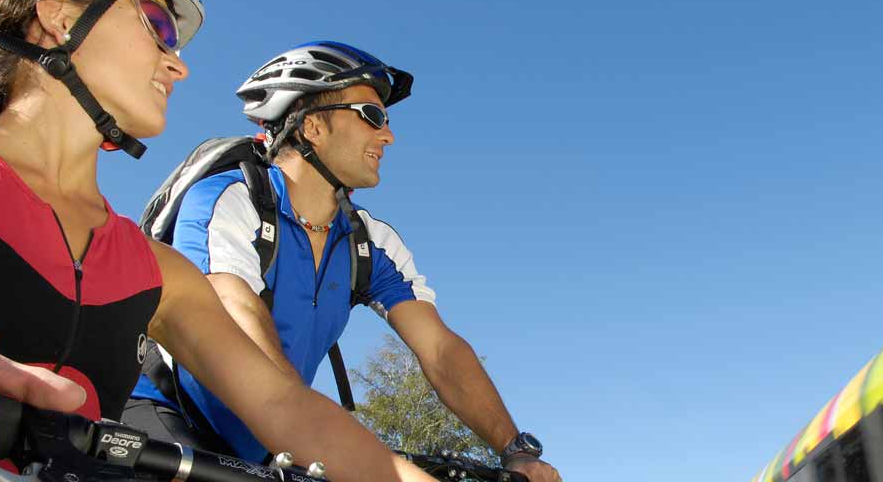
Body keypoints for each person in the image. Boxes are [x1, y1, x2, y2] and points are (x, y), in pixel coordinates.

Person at [0, 0, 437, 480]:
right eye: (157, 24)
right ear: (57, 15)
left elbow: (285, 407)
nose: (177, 64)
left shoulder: (158, 271)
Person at [125, 41, 562, 482]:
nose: (388, 135)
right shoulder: (230, 200)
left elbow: (441, 349)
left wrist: (514, 450)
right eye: (372, 117)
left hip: (275, 441)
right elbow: (238, 322)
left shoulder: (369, 243)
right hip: (168, 416)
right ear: (313, 127)